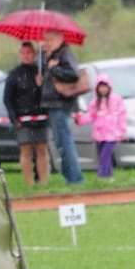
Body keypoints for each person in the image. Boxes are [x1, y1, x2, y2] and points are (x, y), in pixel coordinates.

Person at [40, 29, 84, 185]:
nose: (46, 43)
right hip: (54, 104)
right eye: (45, 40)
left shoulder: (64, 53)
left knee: (64, 142)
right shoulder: (51, 56)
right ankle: (71, 178)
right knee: (61, 142)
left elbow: (74, 74)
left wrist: (53, 68)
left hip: (60, 104)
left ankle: (75, 179)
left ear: (60, 39)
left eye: (49, 40)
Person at [3, 42, 49, 186]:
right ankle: (29, 184)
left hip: (41, 117)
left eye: (29, 52)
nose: (26, 55)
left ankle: (44, 183)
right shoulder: (13, 74)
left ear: (34, 54)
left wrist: (42, 86)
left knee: (42, 150)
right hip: (22, 119)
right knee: (26, 151)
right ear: (19, 55)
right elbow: (7, 99)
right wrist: (14, 118)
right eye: (23, 53)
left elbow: (48, 96)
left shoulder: (41, 72)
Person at [75, 74, 125, 180]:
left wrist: (121, 131)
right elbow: (90, 116)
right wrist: (79, 119)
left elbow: (122, 115)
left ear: (109, 87)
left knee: (105, 156)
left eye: (105, 86)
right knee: (102, 156)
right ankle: (109, 176)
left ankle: (102, 175)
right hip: (99, 135)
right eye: (100, 86)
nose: (103, 89)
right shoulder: (94, 103)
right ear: (97, 88)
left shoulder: (116, 100)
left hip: (112, 134)